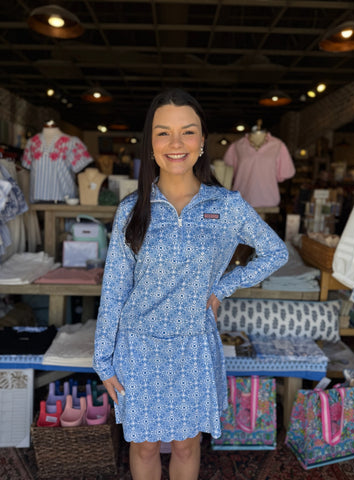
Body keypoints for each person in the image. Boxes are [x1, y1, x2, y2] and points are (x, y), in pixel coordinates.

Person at [93, 88, 289, 480]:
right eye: (163, 133)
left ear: (202, 141)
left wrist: (222, 288)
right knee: (144, 443)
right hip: (139, 344)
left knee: (186, 442)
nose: (176, 143)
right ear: (150, 143)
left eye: (188, 132)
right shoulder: (132, 209)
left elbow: (275, 252)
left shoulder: (227, 206)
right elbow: (115, 286)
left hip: (193, 343)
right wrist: (103, 357)